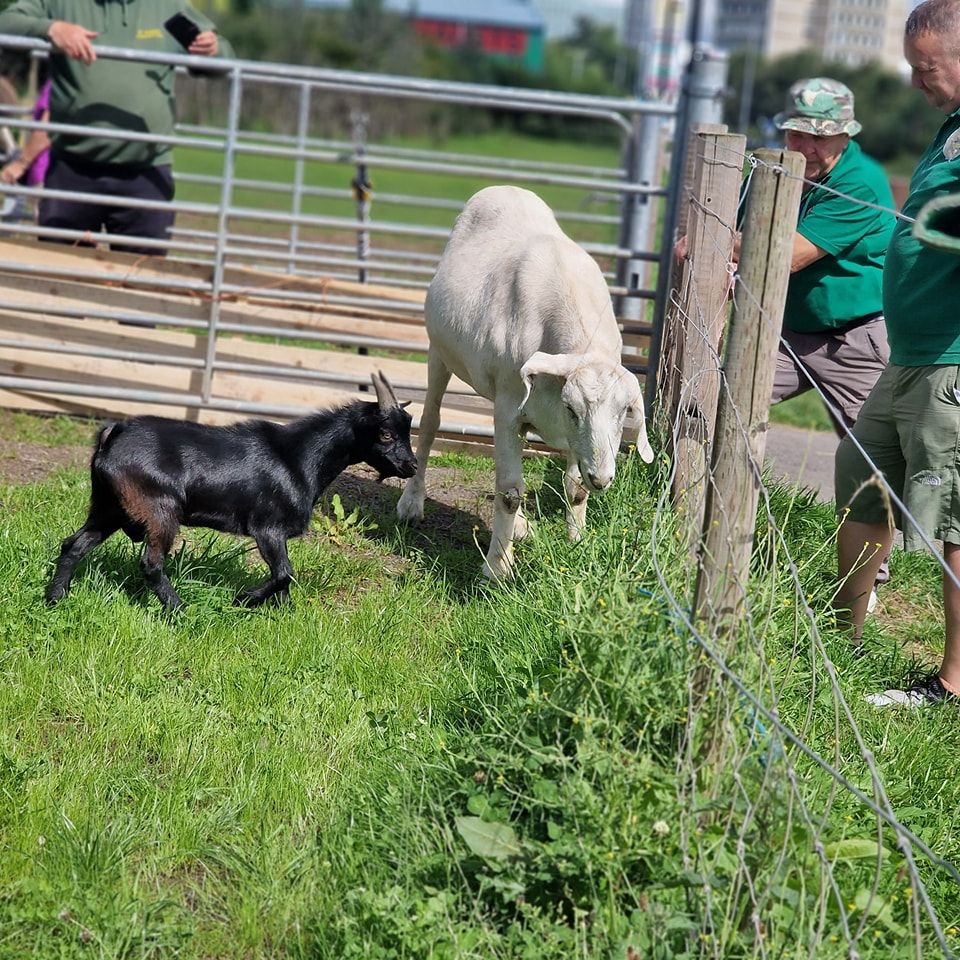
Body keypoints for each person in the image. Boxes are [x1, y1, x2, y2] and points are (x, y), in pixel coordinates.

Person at [834, 0, 960, 707]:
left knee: (953, 515)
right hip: (911, 352)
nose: (915, 82)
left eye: (926, 67)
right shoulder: (953, 130)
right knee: (862, 477)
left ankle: (953, 684)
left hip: (953, 358)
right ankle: (841, 640)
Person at [0, 1, 232, 255]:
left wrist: (213, 50)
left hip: (145, 173)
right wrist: (52, 28)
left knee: (142, 278)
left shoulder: (166, 6)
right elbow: (6, 23)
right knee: (60, 277)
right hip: (72, 169)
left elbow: (225, 59)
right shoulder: (61, 3)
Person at [0, 75, 51, 191]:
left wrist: (22, 163)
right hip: (40, 170)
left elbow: (46, 128)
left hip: (44, 171)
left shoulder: (60, 87)